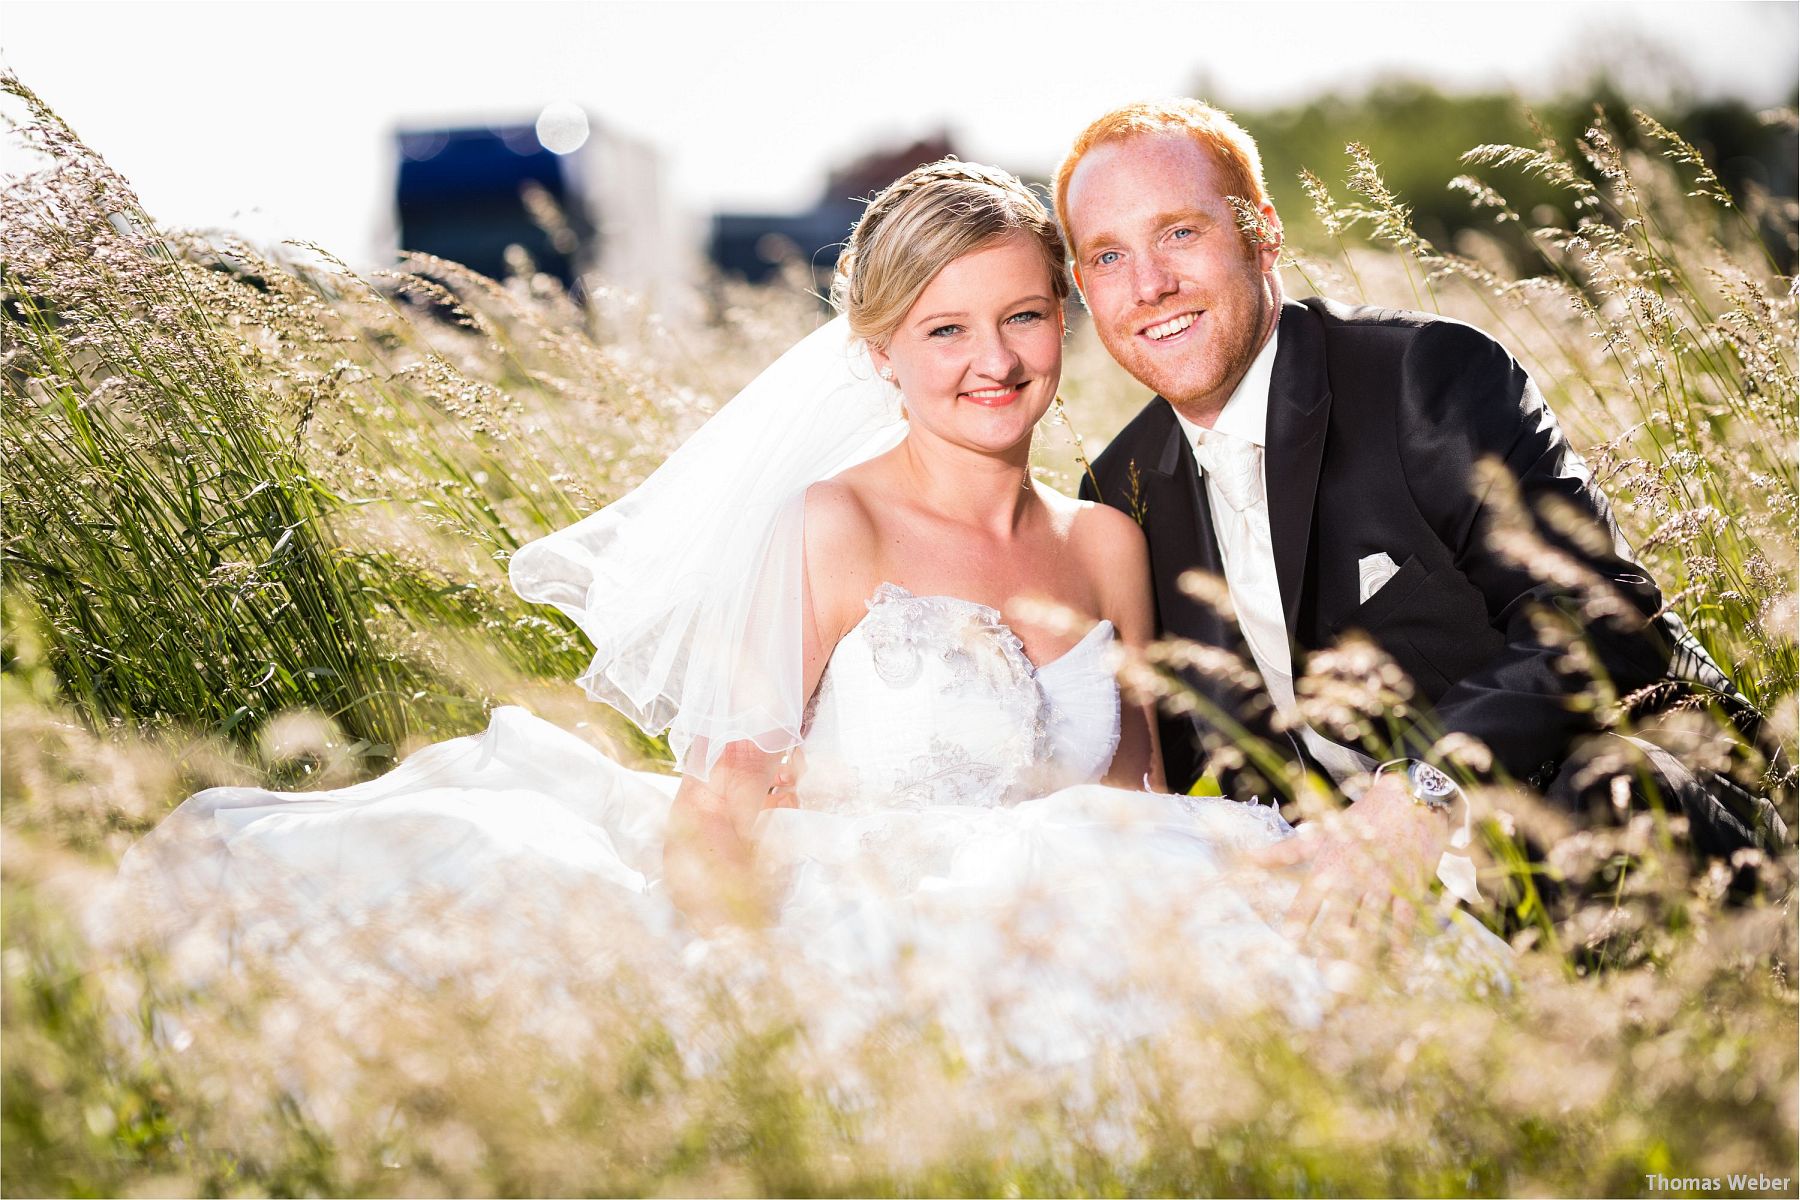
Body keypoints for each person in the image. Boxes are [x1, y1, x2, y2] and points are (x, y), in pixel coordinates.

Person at [123, 159, 1467, 1068]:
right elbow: (724, 811)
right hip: (863, 925)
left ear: (1065, 320)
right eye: (941, 331)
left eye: (1021, 317)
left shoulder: (1110, 539)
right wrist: (744, 997)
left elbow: (1139, 798)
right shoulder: (835, 525)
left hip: (1064, 918)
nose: (992, 362)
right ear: (878, 350)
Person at [1058, 99, 1787, 932]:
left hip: (1633, 806)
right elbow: (1159, 765)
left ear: (1263, 230)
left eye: (1180, 233)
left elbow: (1601, 616)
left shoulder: (1425, 377)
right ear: (1084, 286)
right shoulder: (1117, 494)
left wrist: (1426, 787)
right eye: (1110, 256)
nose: (1150, 285)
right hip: (1375, 900)